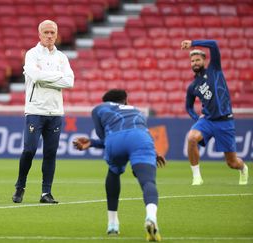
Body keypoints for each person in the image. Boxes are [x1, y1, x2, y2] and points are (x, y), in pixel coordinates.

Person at [73, 89, 165, 242]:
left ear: (106, 101)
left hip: (115, 141)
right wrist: (154, 153)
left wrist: (92, 143)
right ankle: (150, 216)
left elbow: (105, 138)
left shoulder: (99, 109)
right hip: (141, 139)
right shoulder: (137, 111)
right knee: (148, 181)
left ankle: (112, 223)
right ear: (125, 100)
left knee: (113, 172)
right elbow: (143, 132)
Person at [12, 20, 74, 204]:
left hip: (55, 112)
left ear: (57, 34)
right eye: (46, 32)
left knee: (50, 153)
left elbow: (69, 82)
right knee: (29, 150)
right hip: (35, 110)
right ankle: (20, 186)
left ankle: (46, 193)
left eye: (52, 32)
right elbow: (36, 76)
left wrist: (44, 79)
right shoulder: (32, 54)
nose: (49, 36)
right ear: (39, 34)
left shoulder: (62, 57)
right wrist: (57, 78)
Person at [180, 39, 248, 186]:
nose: (195, 63)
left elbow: (214, 44)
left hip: (225, 121)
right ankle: (197, 177)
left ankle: (243, 168)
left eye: (197, 60)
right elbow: (189, 107)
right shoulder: (192, 87)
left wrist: (192, 43)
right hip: (208, 121)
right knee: (192, 138)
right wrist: (196, 118)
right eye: (192, 61)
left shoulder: (215, 69)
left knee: (232, 163)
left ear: (204, 61)